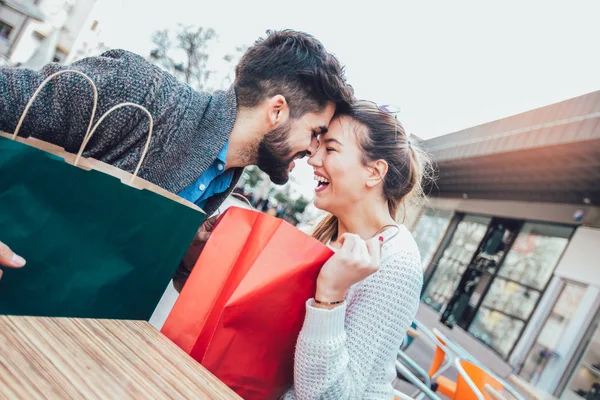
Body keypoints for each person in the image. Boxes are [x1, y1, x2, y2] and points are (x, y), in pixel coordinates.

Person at [0, 29, 354, 285]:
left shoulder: (221, 178)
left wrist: (185, 259)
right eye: (316, 132)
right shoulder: (140, 89)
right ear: (277, 111)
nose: (314, 151)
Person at [282, 101, 429, 399]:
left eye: (331, 149)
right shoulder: (321, 232)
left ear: (374, 173)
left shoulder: (396, 262)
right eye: (318, 146)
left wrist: (330, 296)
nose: (313, 158)